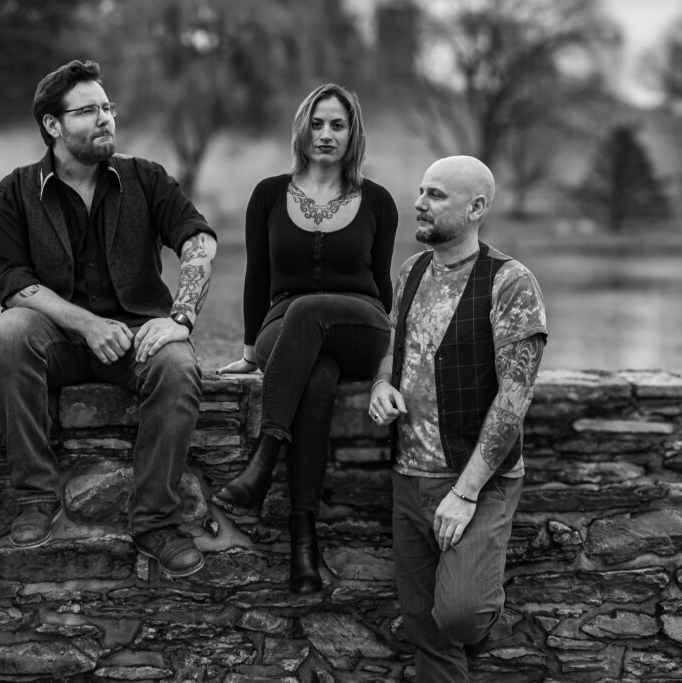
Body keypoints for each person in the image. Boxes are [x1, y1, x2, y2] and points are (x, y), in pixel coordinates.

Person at [0, 59, 217, 578]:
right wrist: (86, 324)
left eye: (107, 107)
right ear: (52, 125)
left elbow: (197, 239)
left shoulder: (146, 177)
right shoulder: (15, 191)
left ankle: (155, 520)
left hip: (137, 336)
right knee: (7, 333)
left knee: (178, 366)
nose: (106, 118)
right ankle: (34, 497)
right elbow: (12, 282)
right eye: (88, 110)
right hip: (57, 340)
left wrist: (180, 316)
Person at [213, 83, 397, 594]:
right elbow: (256, 279)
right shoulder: (269, 194)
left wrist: (387, 366)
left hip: (359, 323)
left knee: (312, 310)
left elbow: (382, 288)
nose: (326, 134)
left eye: (338, 124)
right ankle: (303, 542)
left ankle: (265, 456)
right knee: (315, 377)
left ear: (353, 133)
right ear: (302, 129)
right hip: (282, 327)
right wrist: (250, 354)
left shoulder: (377, 201)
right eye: (317, 123)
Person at [368, 156, 547, 681]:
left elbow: (514, 399)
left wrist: (466, 493)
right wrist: (382, 383)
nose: (420, 203)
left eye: (436, 195)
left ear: (475, 208)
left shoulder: (511, 283)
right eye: (421, 190)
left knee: (460, 616)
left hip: (476, 483)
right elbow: (392, 345)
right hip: (408, 477)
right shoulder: (412, 271)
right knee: (427, 631)